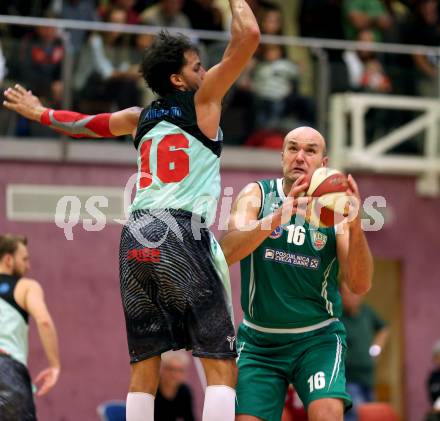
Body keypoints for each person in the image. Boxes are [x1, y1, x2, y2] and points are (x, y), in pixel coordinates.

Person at [3, 2, 260, 420]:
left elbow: (84, 124)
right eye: (197, 67)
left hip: (135, 237)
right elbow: (248, 36)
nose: (205, 71)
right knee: (220, 365)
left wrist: (40, 113)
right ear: (178, 78)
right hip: (180, 231)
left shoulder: (137, 117)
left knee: (145, 366)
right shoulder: (204, 101)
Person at [220, 126, 373, 421]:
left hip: (317, 339)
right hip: (260, 342)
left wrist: (355, 225)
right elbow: (227, 252)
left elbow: (360, 284)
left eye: (310, 150)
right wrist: (279, 215)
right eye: (293, 148)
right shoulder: (257, 194)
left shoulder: (334, 211)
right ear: (282, 157)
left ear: (323, 163)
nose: (300, 156)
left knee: (327, 412)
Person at [0, 234, 60, 421]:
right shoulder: (26, 287)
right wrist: (54, 365)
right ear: (9, 260)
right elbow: (44, 321)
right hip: (7, 369)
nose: (28, 266)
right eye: (24, 259)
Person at [340, 283, 389, 421]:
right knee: (355, 416)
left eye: (354, 292)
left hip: (368, 378)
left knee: (371, 416)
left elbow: (384, 328)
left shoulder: (366, 312)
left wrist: (376, 349)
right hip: (348, 380)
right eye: (346, 292)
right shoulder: (337, 315)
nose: (350, 296)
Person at [155, 351, 195, 421]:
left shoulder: (184, 392)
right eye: (170, 369)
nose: (174, 374)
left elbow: (189, 417)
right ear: (161, 369)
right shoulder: (152, 390)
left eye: (179, 370)